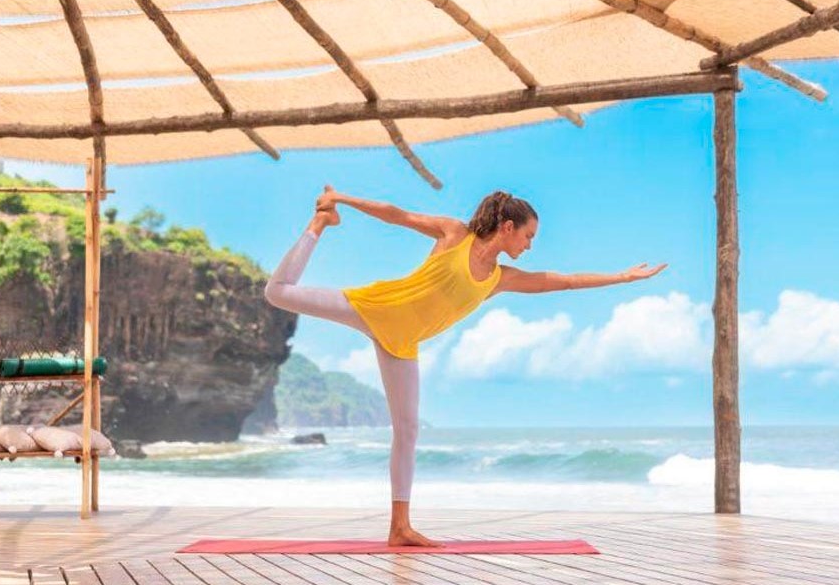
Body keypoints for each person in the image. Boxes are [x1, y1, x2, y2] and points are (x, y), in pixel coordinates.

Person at [264, 185, 666, 547]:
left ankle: (399, 527)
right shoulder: (455, 234)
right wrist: (341, 200)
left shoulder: (499, 278)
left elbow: (560, 280)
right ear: (508, 226)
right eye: (528, 236)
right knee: (278, 292)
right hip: (374, 307)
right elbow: (396, 214)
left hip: (402, 344)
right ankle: (319, 224)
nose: (530, 245)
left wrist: (621, 277)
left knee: (408, 430)